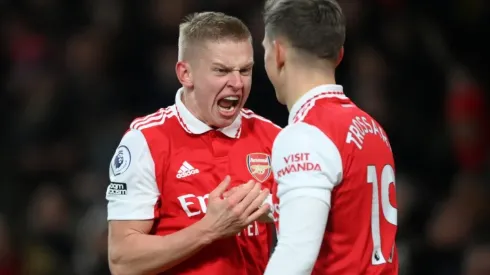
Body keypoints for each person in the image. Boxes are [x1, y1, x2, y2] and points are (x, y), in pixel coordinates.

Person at [106, 12, 280, 275]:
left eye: (245, 70)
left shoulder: (275, 139)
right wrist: (210, 228)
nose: (237, 83)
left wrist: (282, 213)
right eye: (221, 70)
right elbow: (122, 261)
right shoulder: (146, 141)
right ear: (185, 73)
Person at [261, 0, 398, 274]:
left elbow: (295, 255)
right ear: (339, 55)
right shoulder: (372, 128)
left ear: (278, 53)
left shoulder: (305, 135)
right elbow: (347, 218)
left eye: (264, 48)